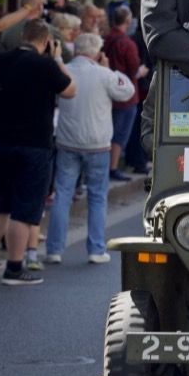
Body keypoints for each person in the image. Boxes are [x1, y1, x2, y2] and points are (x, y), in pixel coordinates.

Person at [0, 19, 76, 285]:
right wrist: (56, 59)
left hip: (0, 142)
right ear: (46, 42)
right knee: (23, 209)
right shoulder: (44, 65)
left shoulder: (3, 60)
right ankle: (14, 268)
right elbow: (70, 90)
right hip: (33, 144)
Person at [46, 34, 136, 265]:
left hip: (67, 140)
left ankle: (54, 249)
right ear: (97, 53)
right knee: (97, 196)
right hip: (97, 144)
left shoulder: (63, 70)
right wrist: (109, 69)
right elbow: (127, 91)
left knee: (62, 195)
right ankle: (96, 248)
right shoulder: (104, 75)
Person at [104, 6, 145, 181]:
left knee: (108, 131)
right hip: (126, 94)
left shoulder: (105, 39)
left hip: (106, 91)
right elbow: (134, 68)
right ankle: (112, 168)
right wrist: (141, 72)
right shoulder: (128, 43)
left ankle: (107, 166)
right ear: (128, 22)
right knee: (120, 134)